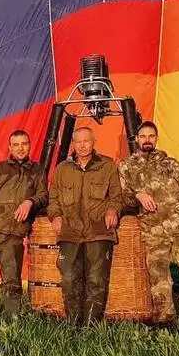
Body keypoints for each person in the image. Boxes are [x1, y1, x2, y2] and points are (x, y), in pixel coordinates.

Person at [117, 121, 179, 325]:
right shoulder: (127, 167)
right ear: (136, 139)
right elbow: (122, 198)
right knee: (158, 277)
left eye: (151, 136)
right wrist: (138, 195)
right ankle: (164, 321)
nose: (147, 140)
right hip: (154, 231)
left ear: (156, 138)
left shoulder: (171, 164)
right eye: (142, 136)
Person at [47, 127, 122, 325]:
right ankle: (74, 325)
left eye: (86, 141)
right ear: (73, 143)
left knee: (96, 281)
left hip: (98, 231)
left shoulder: (107, 166)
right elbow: (53, 198)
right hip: (70, 232)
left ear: (93, 142)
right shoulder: (62, 168)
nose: (82, 145)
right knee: (70, 280)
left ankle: (91, 326)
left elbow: (117, 197)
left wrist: (112, 210)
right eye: (78, 141)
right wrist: (55, 216)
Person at [0, 129, 48, 316]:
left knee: (12, 282)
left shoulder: (37, 171)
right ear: (9, 147)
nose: (20, 148)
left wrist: (30, 202)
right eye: (16, 144)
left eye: (24, 144)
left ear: (29, 145)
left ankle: (12, 321)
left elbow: (44, 195)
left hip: (14, 235)